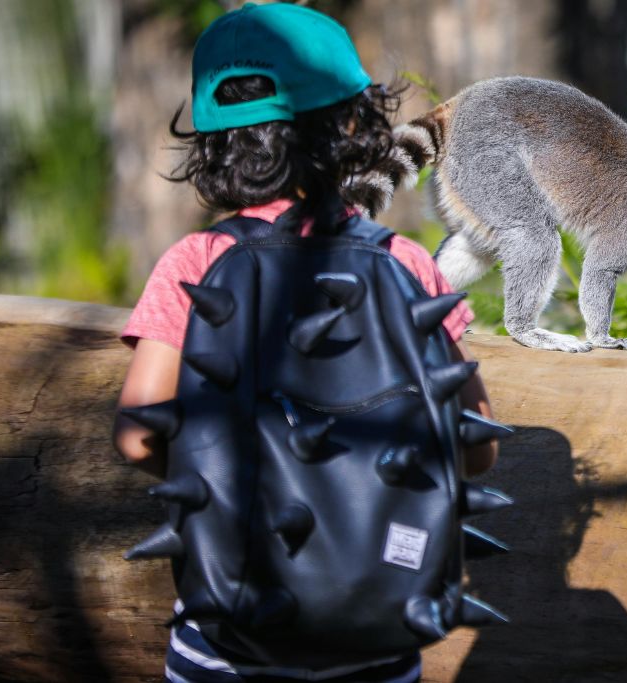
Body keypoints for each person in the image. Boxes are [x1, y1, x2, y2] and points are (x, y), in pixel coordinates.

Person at [111, 4, 498, 681]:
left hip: (229, 633)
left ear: (214, 141)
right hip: (379, 631)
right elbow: (479, 443)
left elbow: (139, 436)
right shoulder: (405, 262)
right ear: (353, 125)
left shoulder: (195, 262)